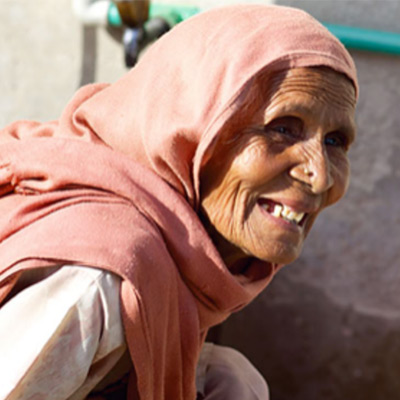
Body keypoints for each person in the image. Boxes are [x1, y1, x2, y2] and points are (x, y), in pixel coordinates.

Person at [0, 4, 358, 400]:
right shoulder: (104, 277)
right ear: (190, 133)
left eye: (334, 142)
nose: (320, 175)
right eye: (283, 129)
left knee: (231, 378)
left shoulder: (182, 263)